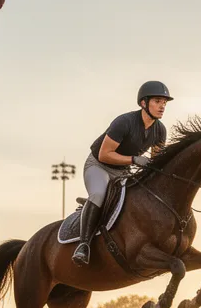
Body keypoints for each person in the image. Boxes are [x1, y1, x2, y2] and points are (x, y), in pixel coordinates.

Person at [73, 81, 172, 266]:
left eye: (165, 102)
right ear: (144, 103)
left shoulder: (160, 130)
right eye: (158, 101)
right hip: (99, 166)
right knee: (98, 194)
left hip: (123, 171)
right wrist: (134, 160)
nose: (162, 106)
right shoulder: (124, 122)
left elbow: (156, 163)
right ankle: (83, 245)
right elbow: (105, 154)